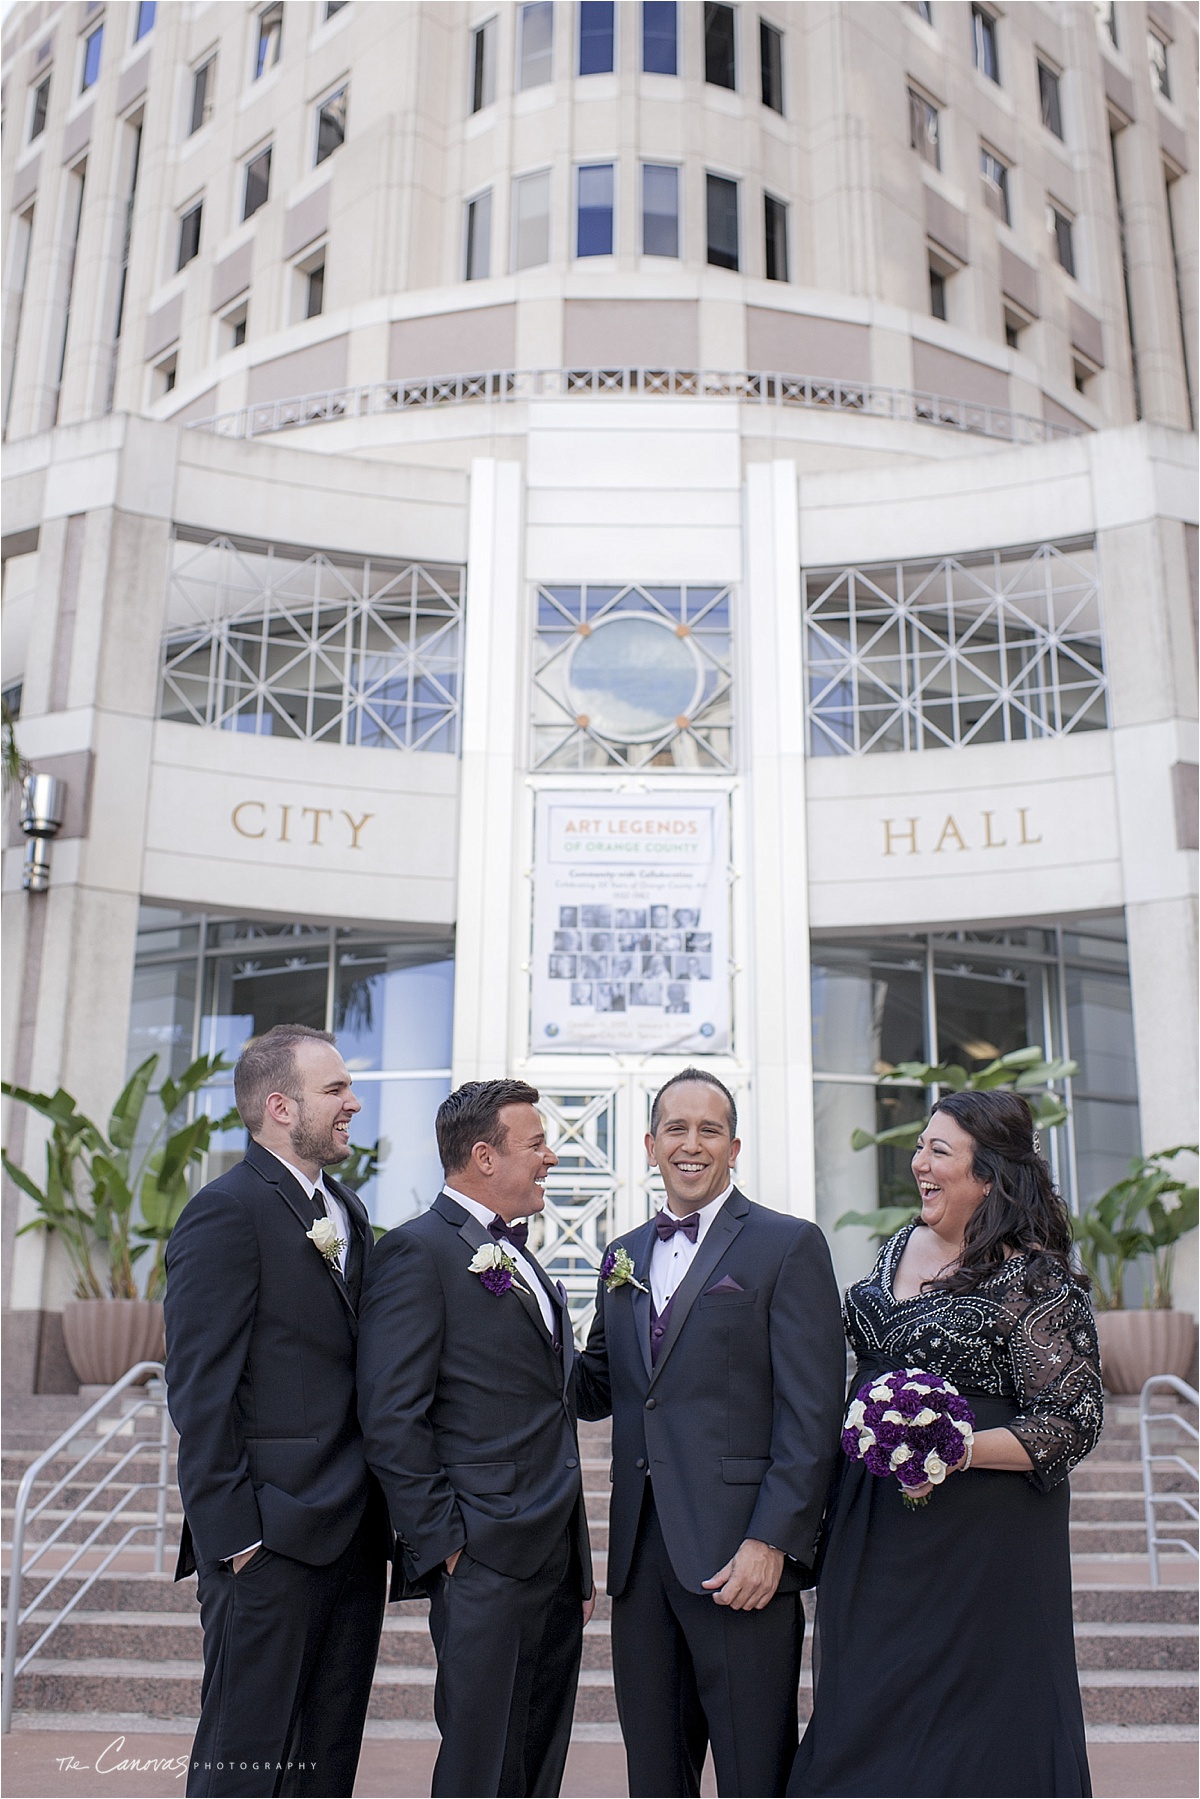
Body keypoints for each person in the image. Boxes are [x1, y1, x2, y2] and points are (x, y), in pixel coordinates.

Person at [789, 1088, 1103, 1799]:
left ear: (988, 1175)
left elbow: (1073, 1415)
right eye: (921, 1145)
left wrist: (952, 1446)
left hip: (982, 1539)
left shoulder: (1034, 1276)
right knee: (864, 1704)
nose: (919, 1162)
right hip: (874, 1521)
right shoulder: (899, 1242)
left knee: (975, 1729)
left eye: (939, 1150)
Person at [576, 1069, 845, 1798]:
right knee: (654, 1776)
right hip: (640, 1559)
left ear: (734, 1146)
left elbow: (813, 1410)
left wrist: (775, 1539)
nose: (690, 1144)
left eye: (708, 1130)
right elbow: (594, 1386)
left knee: (755, 1771)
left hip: (740, 1557)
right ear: (649, 1144)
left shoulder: (787, 1245)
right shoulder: (621, 1253)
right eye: (675, 1128)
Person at [164, 1024, 388, 1799]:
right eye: (337, 1090)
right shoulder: (224, 1212)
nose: (354, 1102)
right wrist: (238, 1542)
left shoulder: (349, 1211)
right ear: (281, 1106)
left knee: (325, 1767)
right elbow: (199, 1393)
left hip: (355, 1545)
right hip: (267, 1547)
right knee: (244, 1768)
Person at [357, 1079, 593, 1798]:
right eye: (536, 1144)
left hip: (554, 1555)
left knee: (537, 1758)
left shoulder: (528, 1260)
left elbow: (559, 1400)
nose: (550, 1158)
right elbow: (392, 1413)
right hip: (483, 1555)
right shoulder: (417, 1253)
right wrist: (449, 1544)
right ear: (484, 1156)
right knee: (480, 1765)